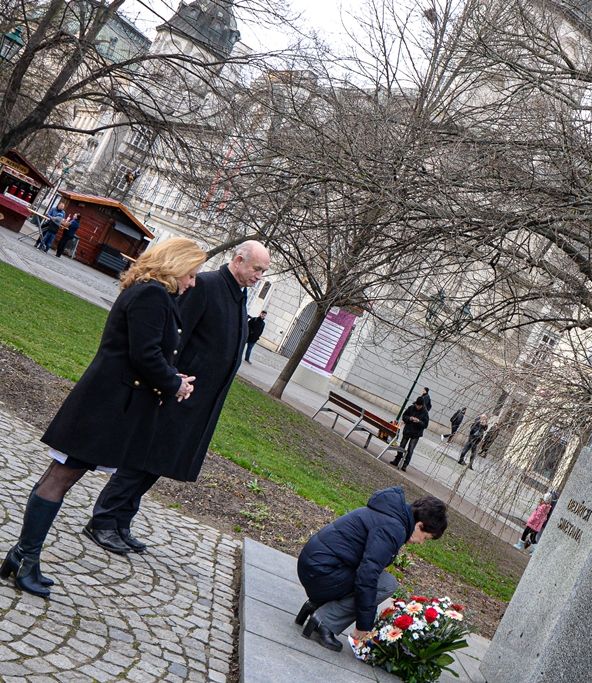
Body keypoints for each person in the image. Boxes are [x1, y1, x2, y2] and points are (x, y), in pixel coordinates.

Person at [0, 238, 205, 598]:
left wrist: (173, 378)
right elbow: (144, 354)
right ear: (175, 265)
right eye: (191, 274)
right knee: (60, 477)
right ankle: (26, 558)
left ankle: (21, 555)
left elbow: (149, 351)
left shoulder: (153, 293)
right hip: (104, 405)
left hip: (107, 402)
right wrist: (174, 383)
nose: (192, 283)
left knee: (61, 476)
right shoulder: (151, 295)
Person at [84, 240, 271, 554]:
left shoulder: (237, 293)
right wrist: (170, 380)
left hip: (199, 399)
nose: (259, 276)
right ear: (238, 260)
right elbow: (175, 336)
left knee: (158, 462)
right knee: (142, 458)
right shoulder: (208, 285)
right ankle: (103, 520)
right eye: (257, 269)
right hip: (177, 392)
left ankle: (121, 521)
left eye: (263, 271)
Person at [294, 488, 448, 651]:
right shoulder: (393, 528)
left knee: (376, 580)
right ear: (420, 525)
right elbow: (367, 577)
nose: (421, 543)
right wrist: (363, 625)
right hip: (320, 574)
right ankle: (324, 621)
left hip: (314, 568)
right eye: (425, 537)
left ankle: (316, 605)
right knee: (386, 584)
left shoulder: (391, 516)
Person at [390, 397, 429, 472]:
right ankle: (397, 460)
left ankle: (405, 465)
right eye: (417, 405)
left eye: (419, 406)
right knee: (402, 446)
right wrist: (409, 418)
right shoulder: (411, 408)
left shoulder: (425, 412)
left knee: (410, 449)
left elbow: (425, 425)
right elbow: (404, 416)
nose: (417, 407)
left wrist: (419, 421)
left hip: (416, 434)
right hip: (408, 431)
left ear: (422, 405)